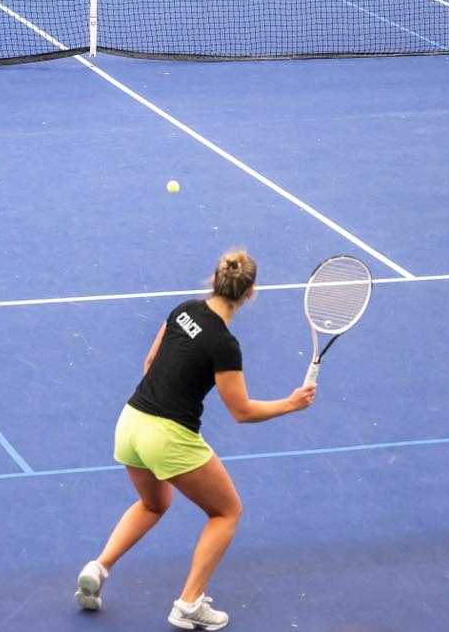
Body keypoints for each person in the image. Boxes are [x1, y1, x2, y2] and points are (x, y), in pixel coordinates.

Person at [74, 249, 317, 630]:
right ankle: (189, 604)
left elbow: (150, 363)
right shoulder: (224, 345)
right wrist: (291, 403)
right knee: (226, 512)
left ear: (215, 279)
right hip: (167, 437)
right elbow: (241, 411)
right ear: (249, 292)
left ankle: (98, 567)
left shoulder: (183, 310)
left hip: (130, 422)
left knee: (153, 504)